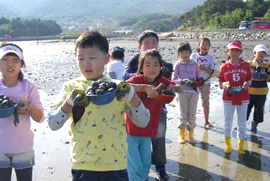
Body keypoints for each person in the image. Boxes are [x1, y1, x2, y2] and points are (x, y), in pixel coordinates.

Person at [47, 31, 150, 181]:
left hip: (116, 165)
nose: (86, 63)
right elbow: (52, 124)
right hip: (83, 165)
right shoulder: (70, 88)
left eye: (92, 57)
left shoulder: (118, 88)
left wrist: (132, 96)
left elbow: (143, 121)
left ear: (106, 59)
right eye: (81, 58)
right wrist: (69, 102)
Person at [125, 49, 183, 181]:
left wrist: (173, 88)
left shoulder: (160, 81)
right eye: (148, 65)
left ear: (160, 67)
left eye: (156, 64)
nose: (152, 68)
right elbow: (123, 87)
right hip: (131, 131)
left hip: (148, 131)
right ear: (141, 68)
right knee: (134, 164)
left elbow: (181, 88)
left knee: (145, 162)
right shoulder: (137, 79)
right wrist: (144, 87)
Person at [0, 43, 45, 181]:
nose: (10, 64)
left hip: (23, 148)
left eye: (15, 60)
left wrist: (29, 108)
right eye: (5, 59)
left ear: (22, 64)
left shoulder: (28, 87)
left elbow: (41, 118)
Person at [218, 41, 252, 154]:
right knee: (228, 122)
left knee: (242, 123)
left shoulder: (246, 65)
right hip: (228, 97)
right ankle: (228, 145)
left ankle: (240, 145)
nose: (234, 53)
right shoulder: (224, 66)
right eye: (232, 50)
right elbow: (220, 81)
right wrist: (224, 85)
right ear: (228, 52)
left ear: (240, 52)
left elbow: (250, 78)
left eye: (237, 50)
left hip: (243, 96)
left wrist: (247, 83)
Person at [172, 41, 200, 146]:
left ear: (190, 52)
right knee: (182, 114)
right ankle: (181, 135)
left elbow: (198, 78)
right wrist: (183, 81)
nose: (184, 55)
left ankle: (191, 135)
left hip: (194, 92)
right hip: (182, 92)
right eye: (182, 53)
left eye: (186, 52)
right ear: (179, 54)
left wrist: (197, 82)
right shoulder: (178, 64)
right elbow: (174, 79)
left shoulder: (195, 64)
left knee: (192, 114)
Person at [190, 38, 215, 129]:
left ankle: (206, 121)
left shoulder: (210, 58)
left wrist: (204, 68)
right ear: (199, 45)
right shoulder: (193, 56)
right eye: (203, 44)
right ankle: (190, 120)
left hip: (205, 82)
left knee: (205, 102)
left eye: (207, 44)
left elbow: (212, 71)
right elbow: (189, 67)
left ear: (208, 47)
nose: (204, 46)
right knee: (192, 102)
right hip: (194, 82)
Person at [247, 44, 270, 134]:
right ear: (254, 53)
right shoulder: (249, 64)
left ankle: (254, 126)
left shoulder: (267, 66)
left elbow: (269, 80)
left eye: (263, 53)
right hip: (249, 91)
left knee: (259, 110)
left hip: (262, 92)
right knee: (246, 109)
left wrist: (266, 76)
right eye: (259, 52)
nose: (261, 54)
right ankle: (242, 125)